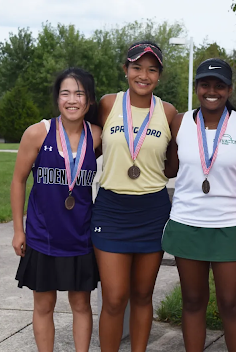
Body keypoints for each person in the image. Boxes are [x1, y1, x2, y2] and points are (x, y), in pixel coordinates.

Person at [162, 58, 236, 352]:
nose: (211, 91)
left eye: (219, 85)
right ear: (197, 88)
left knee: (230, 304)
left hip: (229, 225)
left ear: (230, 89)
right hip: (187, 222)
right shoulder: (179, 122)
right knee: (192, 301)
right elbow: (170, 169)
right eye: (205, 85)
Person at [90, 41, 177, 352]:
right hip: (112, 209)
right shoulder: (108, 104)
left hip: (152, 210)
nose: (144, 74)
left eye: (152, 69)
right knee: (114, 297)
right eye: (137, 67)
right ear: (125, 70)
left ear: (159, 75)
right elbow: (88, 147)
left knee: (142, 295)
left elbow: (173, 164)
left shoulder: (167, 112)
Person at [11, 67, 102, 352]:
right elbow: (18, 181)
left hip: (80, 237)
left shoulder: (97, 136)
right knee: (44, 304)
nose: (72, 100)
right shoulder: (38, 133)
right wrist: (18, 230)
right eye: (65, 93)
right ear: (57, 98)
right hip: (43, 236)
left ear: (88, 101)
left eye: (79, 93)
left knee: (81, 304)